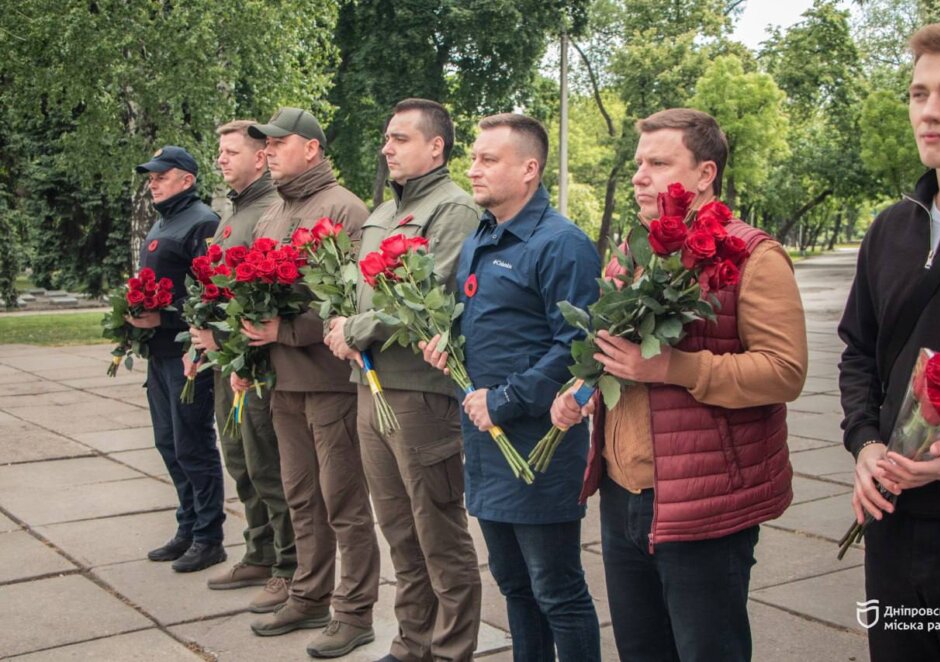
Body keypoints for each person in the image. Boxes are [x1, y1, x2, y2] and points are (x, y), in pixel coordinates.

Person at [551, 108, 807, 662]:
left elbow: (785, 371)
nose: (640, 175)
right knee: (642, 650)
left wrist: (675, 368)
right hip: (623, 496)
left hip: (704, 500)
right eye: (639, 162)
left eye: (659, 163)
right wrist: (583, 387)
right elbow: (612, 347)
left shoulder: (750, 255)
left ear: (705, 173)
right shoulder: (636, 252)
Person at [838, 19, 940, 662]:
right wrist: (866, 444)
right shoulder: (891, 229)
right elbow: (857, 352)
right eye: (917, 93)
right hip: (893, 525)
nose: (929, 111)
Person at [421, 113, 601, 662]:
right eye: (473, 157)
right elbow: (485, 321)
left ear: (529, 169)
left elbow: (579, 348)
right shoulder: (483, 235)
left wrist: (503, 400)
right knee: (514, 586)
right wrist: (444, 341)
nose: (472, 169)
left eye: (487, 160)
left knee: (557, 590)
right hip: (485, 443)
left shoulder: (561, 244)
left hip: (537, 446)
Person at [325, 98, 481, 662]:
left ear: (436, 146)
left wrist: (357, 327)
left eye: (401, 139)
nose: (387, 148)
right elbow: (352, 291)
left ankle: (451, 649)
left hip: (420, 392)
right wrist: (336, 323)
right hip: (371, 387)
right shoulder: (381, 213)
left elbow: (432, 295)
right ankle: (412, 642)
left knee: (438, 532)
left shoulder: (453, 209)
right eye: (386, 139)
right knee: (398, 529)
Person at [238, 107, 379, 659]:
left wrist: (288, 329)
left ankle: (355, 611)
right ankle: (310, 594)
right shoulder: (275, 210)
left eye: (279, 142)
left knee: (342, 500)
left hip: (330, 380)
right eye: (265, 144)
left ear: (313, 149)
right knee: (300, 495)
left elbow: (352, 301)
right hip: (283, 380)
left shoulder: (344, 208)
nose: (269, 151)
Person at [187, 120, 295, 613]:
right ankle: (259, 550)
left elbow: (270, 298)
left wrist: (225, 338)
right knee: (240, 463)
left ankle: (289, 567)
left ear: (259, 158)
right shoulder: (234, 214)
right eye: (220, 152)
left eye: (232, 152)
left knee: (267, 465)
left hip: (255, 366)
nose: (221, 159)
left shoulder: (270, 210)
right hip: (225, 362)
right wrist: (201, 341)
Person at [133, 146, 226, 573]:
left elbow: (211, 294)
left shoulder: (202, 221)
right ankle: (187, 527)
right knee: (169, 444)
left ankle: (209, 537)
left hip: (188, 355)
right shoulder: (164, 219)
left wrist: (163, 315)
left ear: (186, 180)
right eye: (150, 176)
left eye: (160, 175)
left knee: (193, 445)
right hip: (159, 353)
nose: (152, 182)